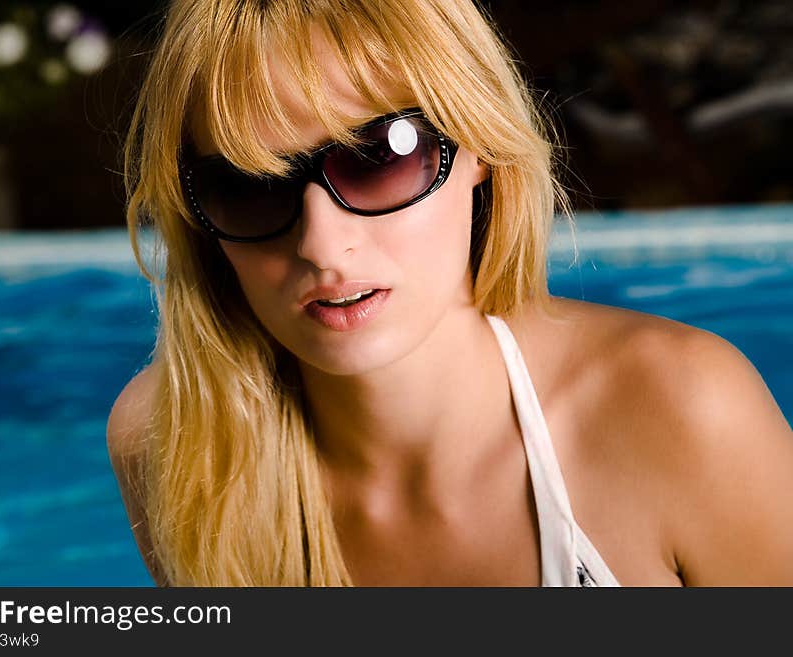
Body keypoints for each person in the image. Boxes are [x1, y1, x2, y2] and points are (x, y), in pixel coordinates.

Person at [107, 0, 793, 586]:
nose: (322, 244)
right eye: (247, 186)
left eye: (379, 157)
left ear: (479, 149)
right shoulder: (175, 448)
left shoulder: (681, 412)